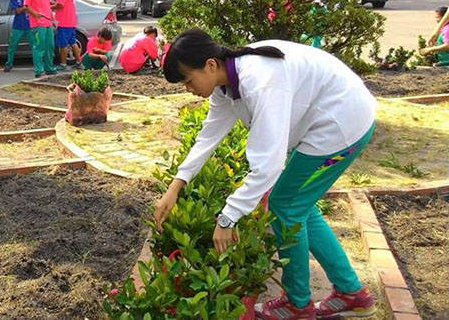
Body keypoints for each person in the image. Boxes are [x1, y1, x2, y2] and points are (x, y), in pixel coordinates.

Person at [153, 30, 378, 320]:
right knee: (298, 207)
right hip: (326, 124)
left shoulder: (260, 81)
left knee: (286, 207)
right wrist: (175, 186)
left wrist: (227, 217)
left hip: (342, 126)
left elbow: (268, 166)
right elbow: (208, 137)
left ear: (210, 65)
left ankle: (297, 304)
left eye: (187, 80)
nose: (188, 88)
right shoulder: (226, 83)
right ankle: (352, 294)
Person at [24, 0, 57, 78]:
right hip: (38, 23)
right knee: (39, 47)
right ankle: (39, 70)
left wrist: (52, 17)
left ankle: (49, 68)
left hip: (47, 21)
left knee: (50, 46)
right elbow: (26, 6)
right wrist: (35, 14)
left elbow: (46, 2)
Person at [53, 0, 81, 70]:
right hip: (71, 20)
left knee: (63, 44)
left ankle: (63, 64)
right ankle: (79, 62)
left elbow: (60, 5)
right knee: (73, 42)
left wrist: (49, 7)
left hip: (63, 21)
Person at [3, 0, 31, 72]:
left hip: (30, 25)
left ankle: (39, 65)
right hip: (18, 26)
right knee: (12, 45)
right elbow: (17, 11)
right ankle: (9, 64)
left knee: (35, 46)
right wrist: (25, 7)